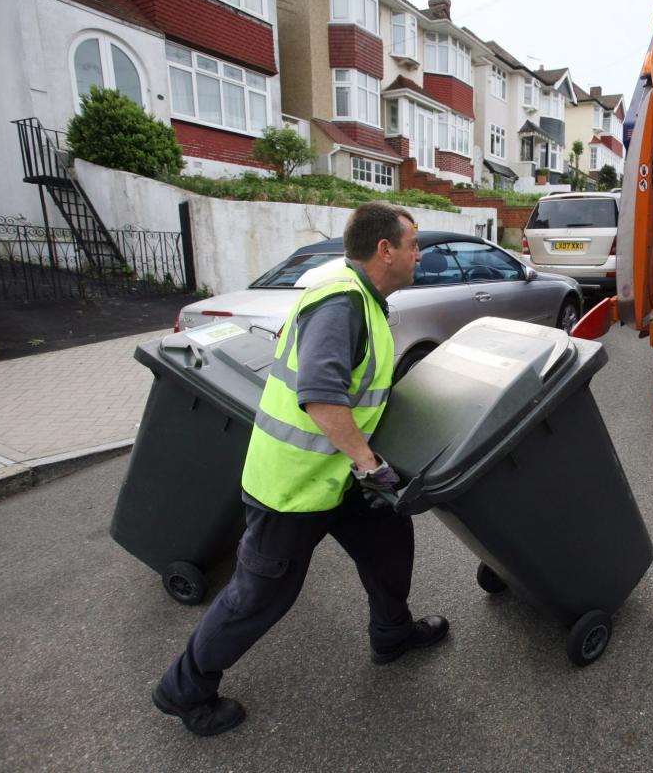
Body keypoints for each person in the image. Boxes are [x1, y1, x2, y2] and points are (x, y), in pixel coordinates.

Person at [153, 202, 448, 737]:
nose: (418, 254)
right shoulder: (342, 302)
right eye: (413, 244)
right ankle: (185, 689)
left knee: (388, 544)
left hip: (339, 478)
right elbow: (320, 397)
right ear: (385, 250)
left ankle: (392, 633)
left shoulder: (360, 293)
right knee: (259, 596)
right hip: (294, 486)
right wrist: (371, 464)